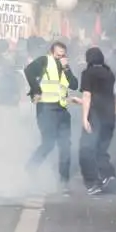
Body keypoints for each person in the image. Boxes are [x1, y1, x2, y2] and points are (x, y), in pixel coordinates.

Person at [24, 41, 79, 192]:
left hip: (61, 110)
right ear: (51, 52)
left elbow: (74, 85)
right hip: (45, 109)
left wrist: (66, 67)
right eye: (57, 55)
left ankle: (63, 182)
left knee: (65, 146)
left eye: (63, 55)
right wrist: (36, 90)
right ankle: (31, 167)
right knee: (48, 143)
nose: (60, 58)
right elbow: (28, 71)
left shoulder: (65, 67)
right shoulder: (44, 61)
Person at [78, 47, 116, 195]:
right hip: (109, 115)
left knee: (86, 150)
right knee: (101, 149)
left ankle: (92, 182)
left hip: (95, 116)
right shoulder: (109, 73)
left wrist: (84, 118)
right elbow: (110, 94)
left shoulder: (87, 74)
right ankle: (108, 174)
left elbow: (87, 96)